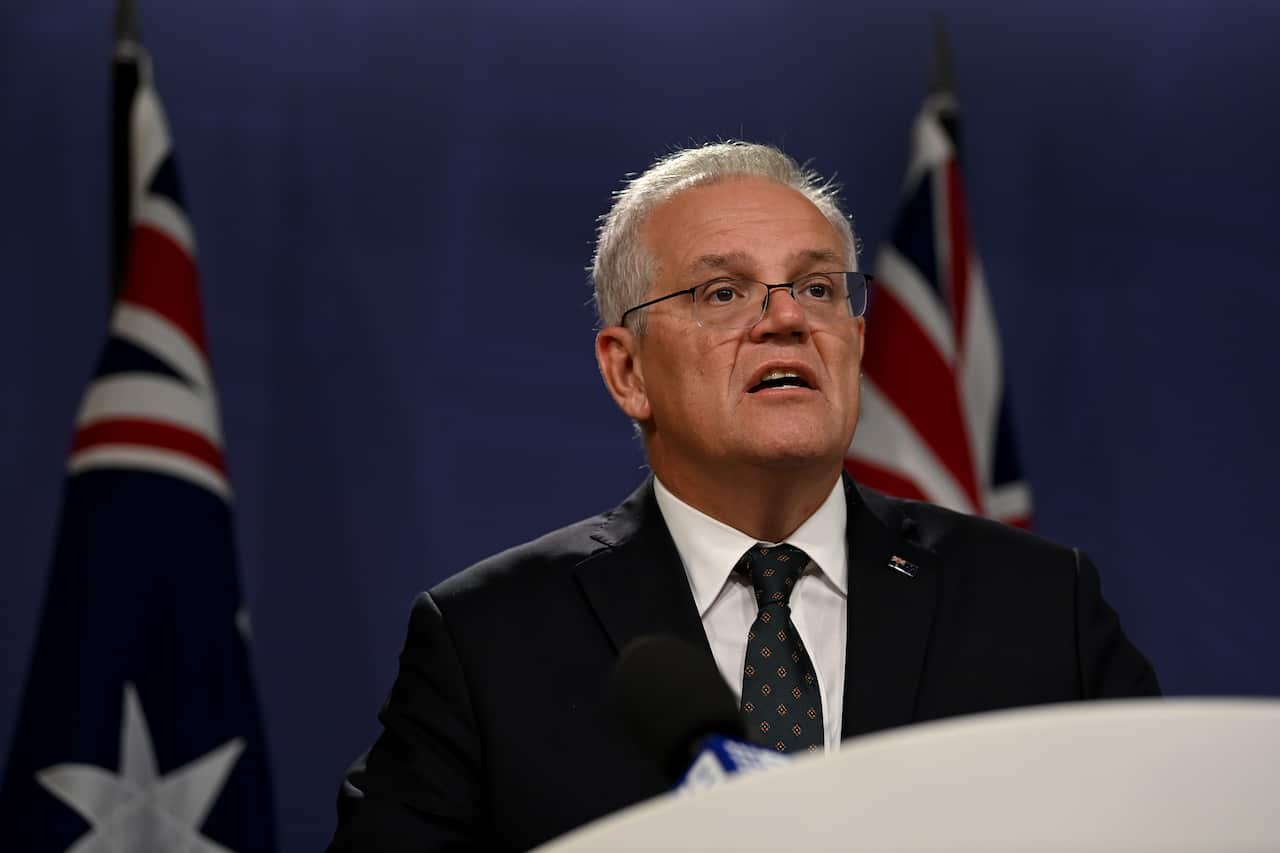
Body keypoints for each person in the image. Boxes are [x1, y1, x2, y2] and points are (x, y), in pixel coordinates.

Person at [327, 142, 1159, 852]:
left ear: (855, 341)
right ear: (627, 370)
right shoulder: (489, 642)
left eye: (820, 287)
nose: (786, 319)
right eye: (723, 292)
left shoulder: (1040, 607)